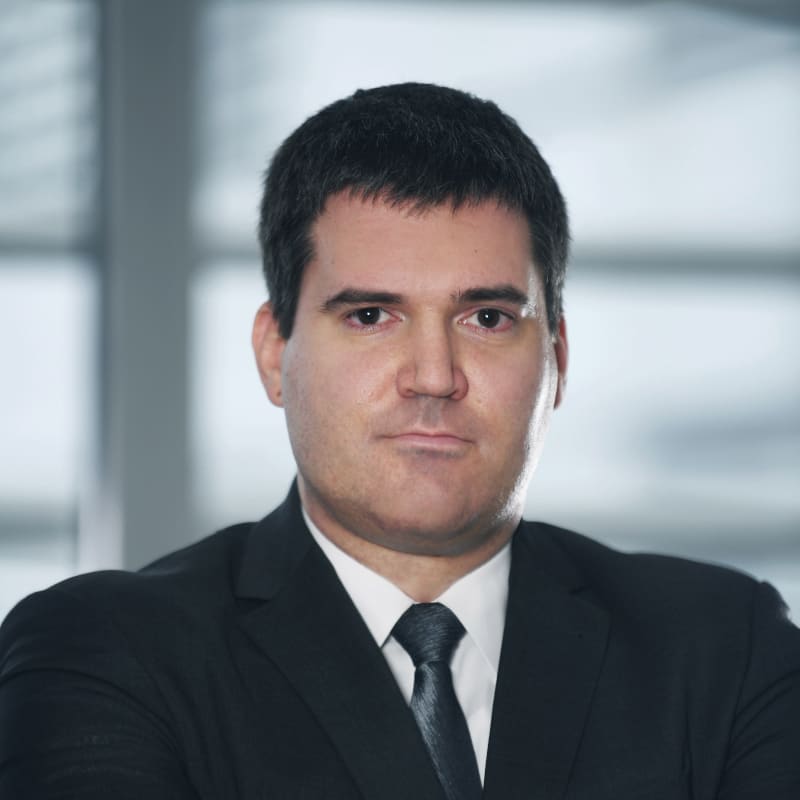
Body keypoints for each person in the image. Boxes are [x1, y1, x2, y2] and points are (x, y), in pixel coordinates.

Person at [1, 83, 798, 800]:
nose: (434, 376)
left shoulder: (727, 650)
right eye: (371, 316)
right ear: (275, 353)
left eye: (487, 318)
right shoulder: (106, 652)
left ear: (556, 357)